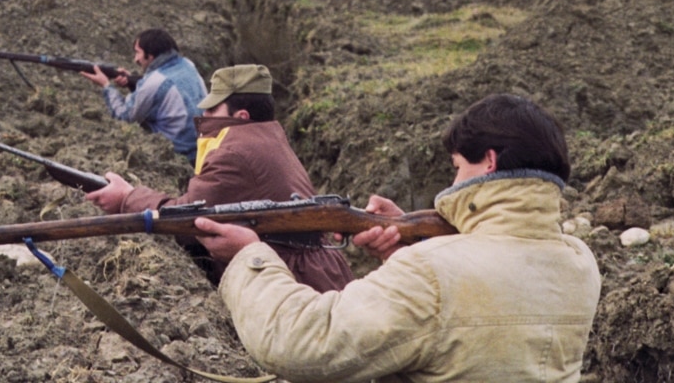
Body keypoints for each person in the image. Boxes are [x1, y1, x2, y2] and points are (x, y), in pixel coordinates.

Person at [195, 93, 602, 382]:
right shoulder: (580, 262)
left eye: (458, 167)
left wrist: (250, 256)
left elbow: (302, 343)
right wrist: (412, 247)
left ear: (489, 162)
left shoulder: (431, 272)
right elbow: (479, 313)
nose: (454, 180)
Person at [86, 64, 354, 293]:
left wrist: (126, 198)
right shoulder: (266, 136)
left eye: (213, 110)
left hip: (298, 283)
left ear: (241, 116)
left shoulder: (234, 152)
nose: (204, 117)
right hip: (317, 274)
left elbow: (187, 217)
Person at [80, 28, 207, 163]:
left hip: (180, 156)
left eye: (138, 53)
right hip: (204, 147)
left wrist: (106, 85)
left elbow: (124, 116)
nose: (135, 59)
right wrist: (132, 82)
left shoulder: (154, 82)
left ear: (150, 56)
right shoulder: (187, 64)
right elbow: (161, 90)